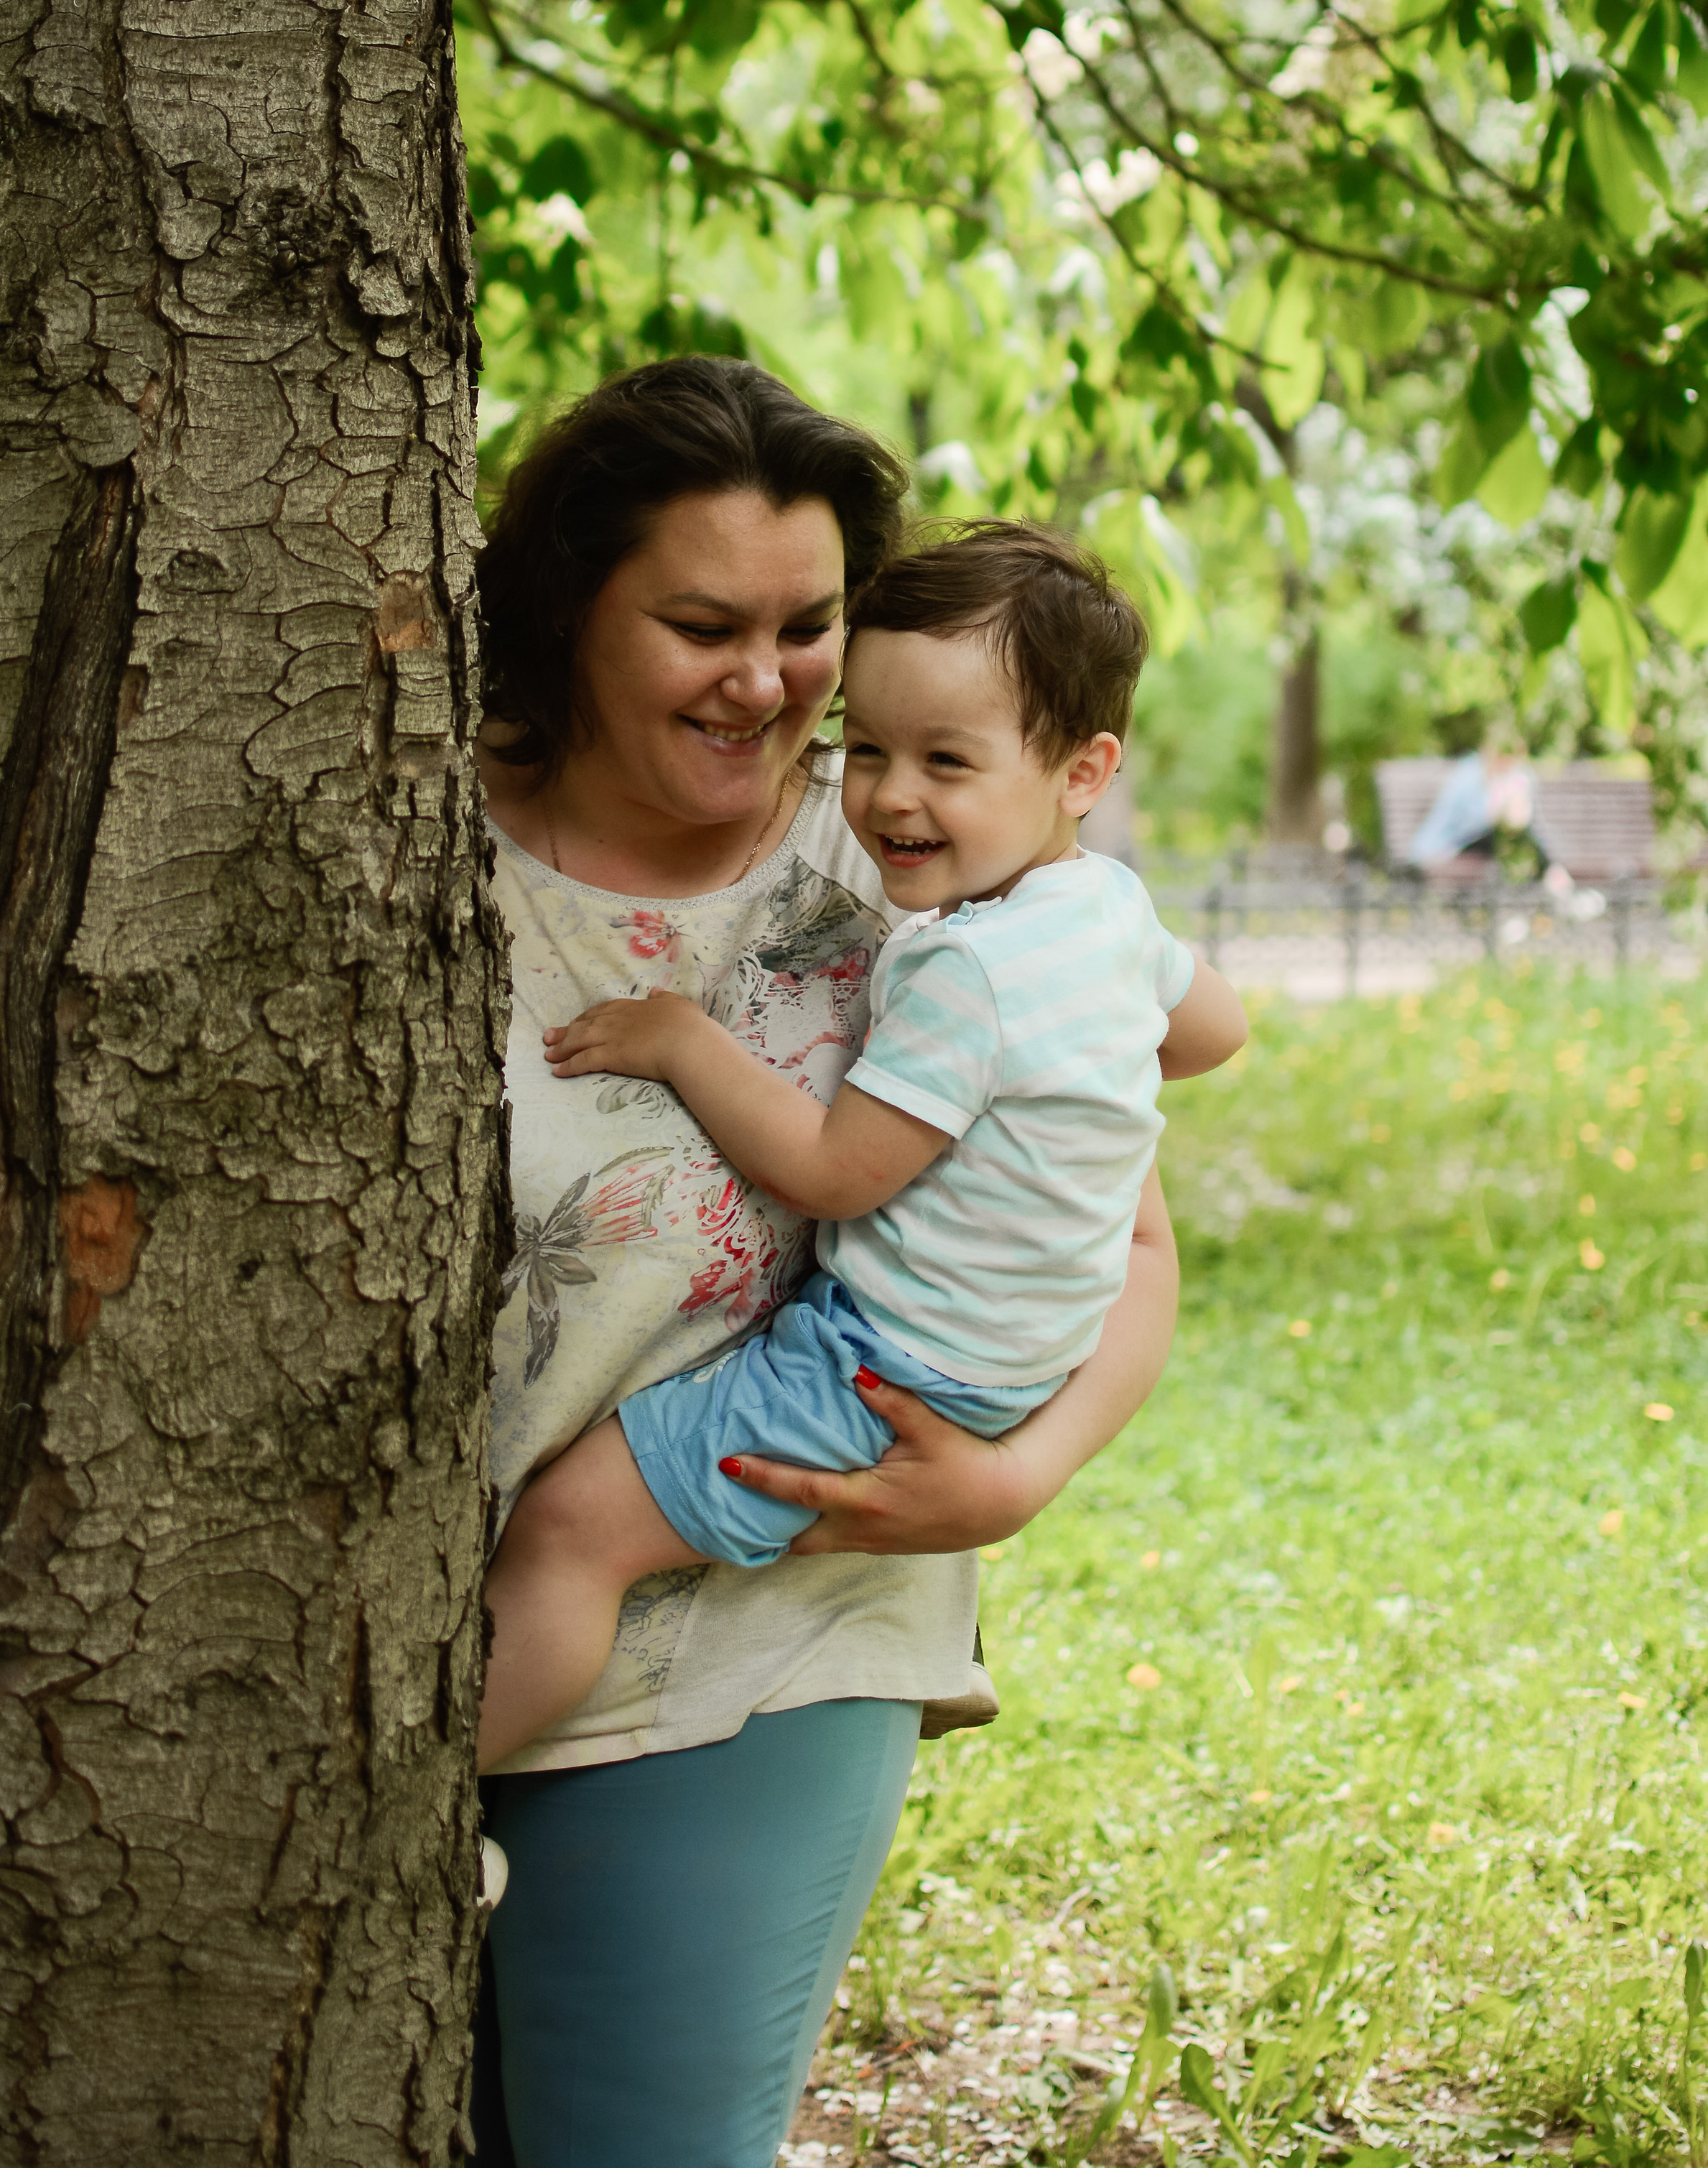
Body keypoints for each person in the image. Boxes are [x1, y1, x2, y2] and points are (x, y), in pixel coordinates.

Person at [470, 357, 1189, 2168]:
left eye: (807, 630)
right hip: (355, 1647)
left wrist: (1013, 1476)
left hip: (760, 1648)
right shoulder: (377, 827)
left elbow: (1126, 1232)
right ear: (567, 612)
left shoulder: (930, 867)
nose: (769, 685)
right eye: (701, 624)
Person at [476, 524, 1248, 1768]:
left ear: (1083, 770)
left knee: (575, 1532)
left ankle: (414, 1812)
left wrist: (683, 1041)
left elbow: (835, 1171)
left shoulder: (962, 966)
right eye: (871, 748)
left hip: (884, 1371)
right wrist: (1081, 1048)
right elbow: (1216, 1029)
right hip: (1002, 1362)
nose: (892, 796)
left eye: (948, 761)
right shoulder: (1105, 909)